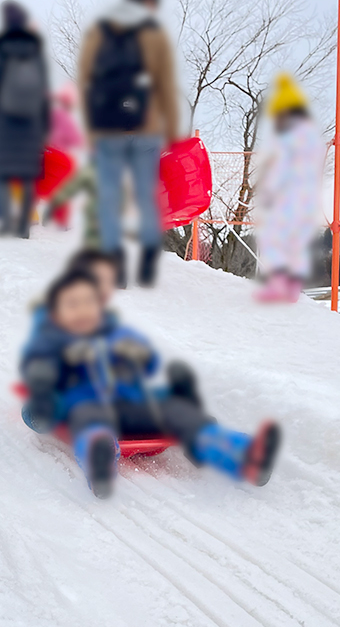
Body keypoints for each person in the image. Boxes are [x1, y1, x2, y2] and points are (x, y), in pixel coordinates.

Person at [20, 269, 280, 498]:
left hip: (130, 408)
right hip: (88, 411)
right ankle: (99, 458)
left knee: (177, 412)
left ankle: (243, 455)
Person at [78, 0, 179, 287]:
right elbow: (165, 84)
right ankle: (148, 263)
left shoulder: (103, 32)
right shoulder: (155, 35)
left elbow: (87, 81)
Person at [0, 0, 49, 238]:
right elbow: (43, 90)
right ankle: (24, 226)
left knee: (2, 168)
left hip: (5, 120)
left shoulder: (0, 49)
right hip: (31, 122)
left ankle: (9, 220)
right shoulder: (35, 51)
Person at [254, 74, 324, 303]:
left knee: (279, 239)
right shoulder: (304, 137)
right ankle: (287, 283)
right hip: (299, 197)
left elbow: (282, 169)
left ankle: (283, 283)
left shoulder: (291, 139)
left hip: (290, 197)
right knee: (287, 241)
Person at [46, 84, 84, 229]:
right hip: (59, 157)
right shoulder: (66, 119)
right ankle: (60, 219)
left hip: (44, 153)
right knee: (63, 184)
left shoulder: (50, 115)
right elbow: (77, 140)